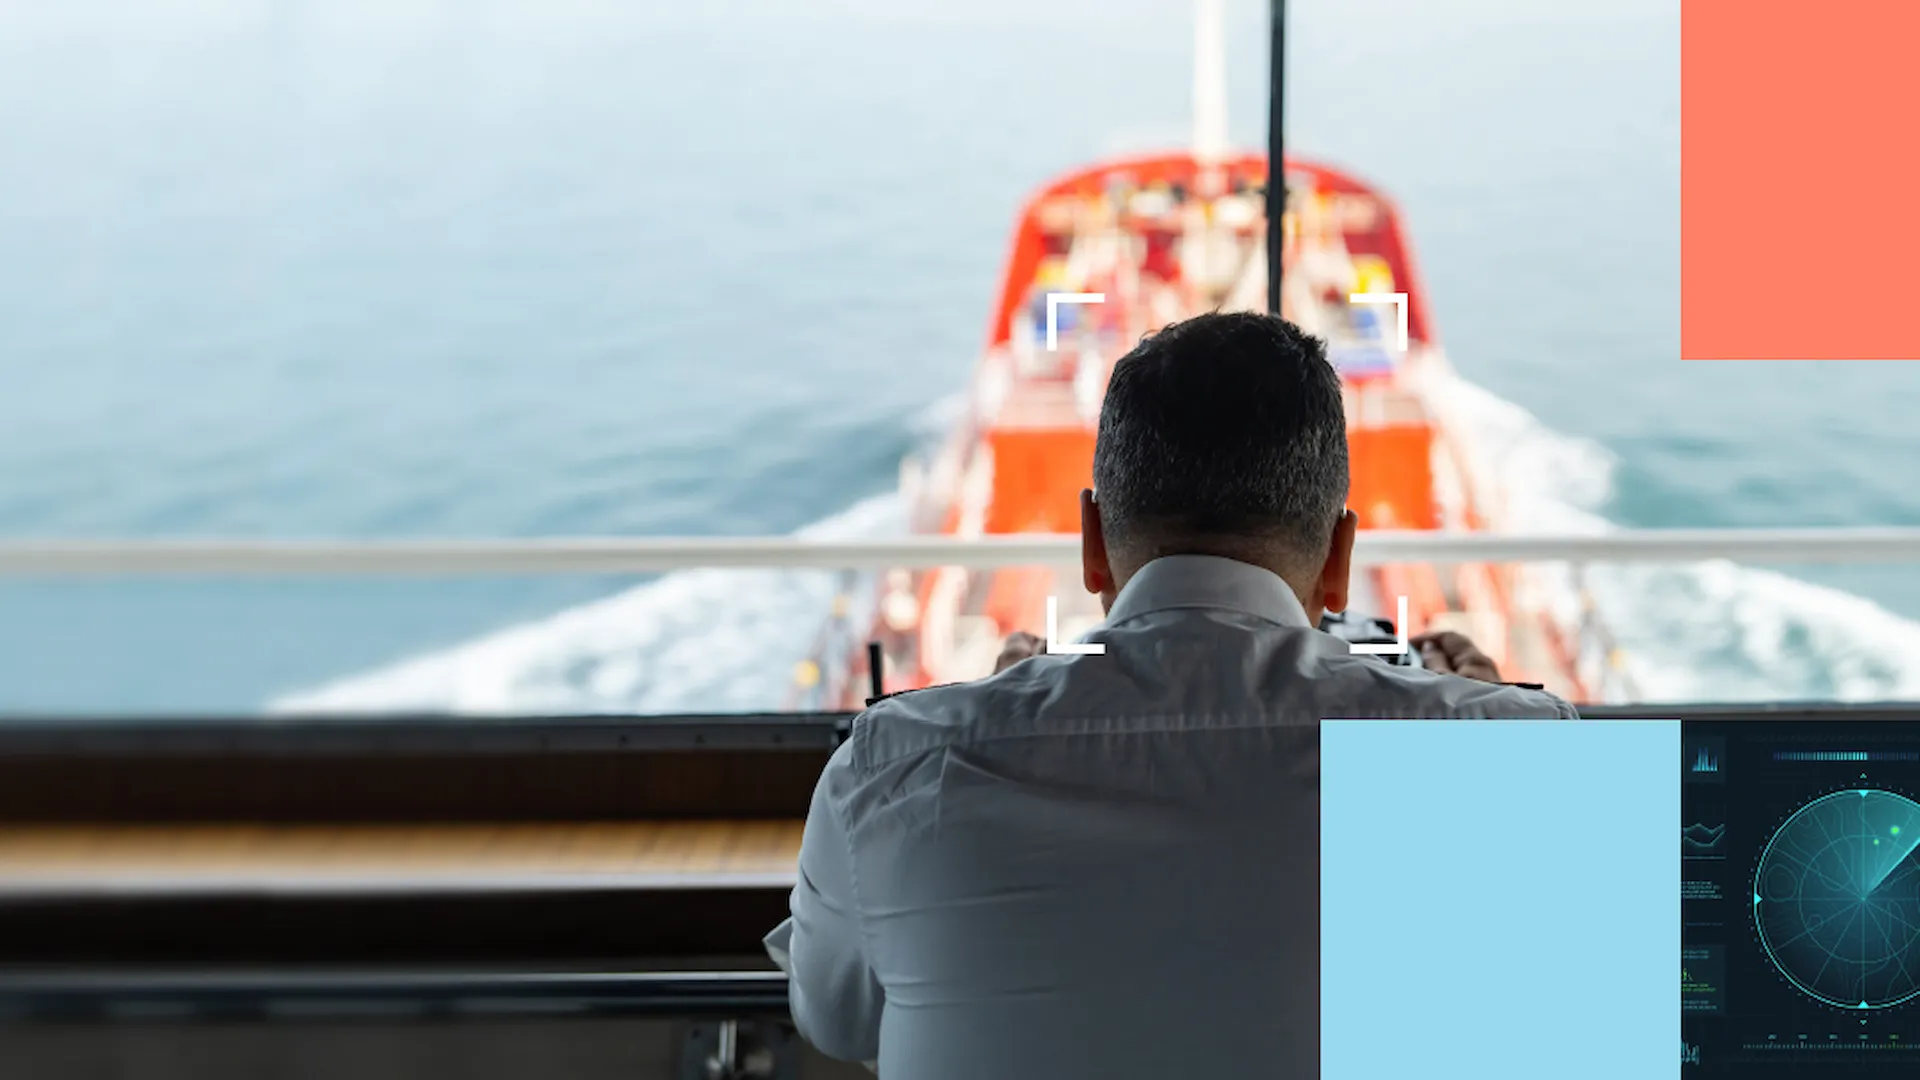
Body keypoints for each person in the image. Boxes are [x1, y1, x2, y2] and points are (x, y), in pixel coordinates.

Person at [768, 311, 1577, 1078]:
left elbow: (834, 1021)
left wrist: (980, 711)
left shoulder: (890, 766)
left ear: (1092, 547)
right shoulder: (1525, 758)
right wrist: (1483, 714)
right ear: (1339, 559)